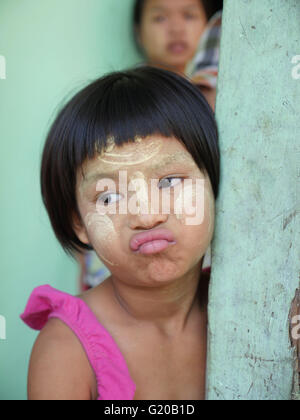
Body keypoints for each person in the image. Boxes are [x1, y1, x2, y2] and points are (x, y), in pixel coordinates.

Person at [20, 66, 220, 400]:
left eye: (169, 181)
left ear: (214, 184)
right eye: (109, 197)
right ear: (79, 224)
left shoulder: (259, 306)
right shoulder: (67, 350)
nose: (147, 215)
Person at [79, 0, 223, 292]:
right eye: (159, 18)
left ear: (209, 26)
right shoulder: (117, 102)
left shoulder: (218, 93)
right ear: (138, 32)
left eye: (189, 15)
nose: (175, 28)